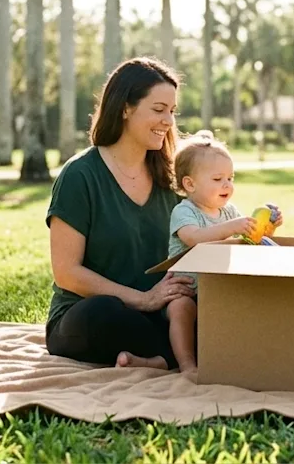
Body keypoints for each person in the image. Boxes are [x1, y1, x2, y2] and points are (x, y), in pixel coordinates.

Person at [45, 57, 195, 370]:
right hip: (90, 315)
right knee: (103, 313)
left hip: (161, 314)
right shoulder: (79, 175)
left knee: (203, 314)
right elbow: (67, 272)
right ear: (125, 108)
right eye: (158, 109)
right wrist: (143, 299)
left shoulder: (170, 178)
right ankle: (177, 354)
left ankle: (159, 357)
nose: (168, 120)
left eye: (172, 111)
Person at [164, 131, 284, 377]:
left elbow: (249, 240)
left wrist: (268, 227)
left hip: (218, 289)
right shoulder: (184, 211)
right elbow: (193, 238)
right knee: (181, 309)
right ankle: (187, 365)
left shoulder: (229, 212)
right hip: (186, 289)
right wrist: (232, 227)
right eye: (218, 179)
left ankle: (237, 359)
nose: (227, 185)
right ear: (190, 184)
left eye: (230, 177)